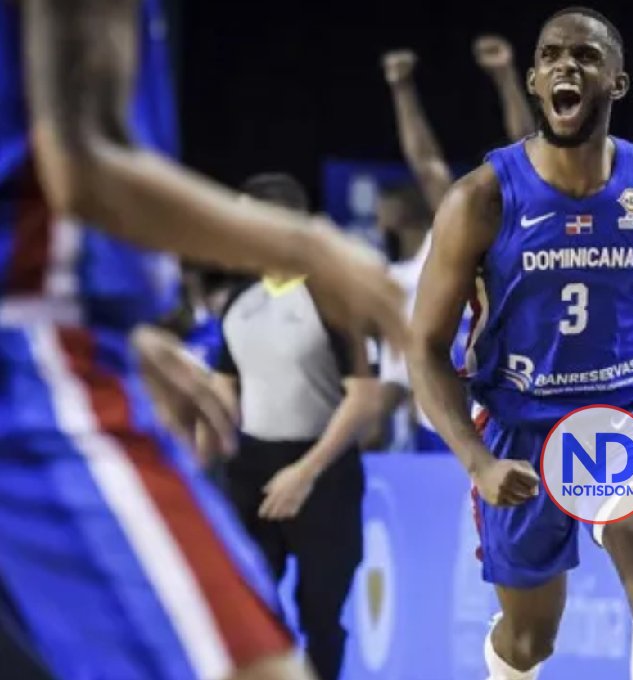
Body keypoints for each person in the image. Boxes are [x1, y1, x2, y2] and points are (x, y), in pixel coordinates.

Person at [0, 2, 407, 680]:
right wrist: (315, 246)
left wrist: (126, 338)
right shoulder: (255, 299)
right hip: (40, 374)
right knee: (258, 667)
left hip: (307, 469)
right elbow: (84, 165)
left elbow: (365, 394)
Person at [407, 8, 633, 680]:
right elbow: (425, 348)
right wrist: (476, 463)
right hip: (519, 428)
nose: (565, 67)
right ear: (533, 79)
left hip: (623, 415)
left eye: (584, 55)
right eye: (550, 55)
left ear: (617, 81)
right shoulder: (480, 199)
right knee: (530, 642)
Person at [211, 174, 376, 680]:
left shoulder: (330, 296)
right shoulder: (239, 301)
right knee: (250, 605)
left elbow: (365, 396)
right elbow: (223, 388)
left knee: (320, 613)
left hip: (323, 473)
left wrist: (306, 472)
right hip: (250, 469)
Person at [368, 39, 534, 452]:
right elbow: (426, 165)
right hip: (441, 430)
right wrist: (401, 88)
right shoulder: (449, 233)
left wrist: (505, 77)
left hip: (511, 423)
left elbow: (530, 151)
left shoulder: (526, 236)